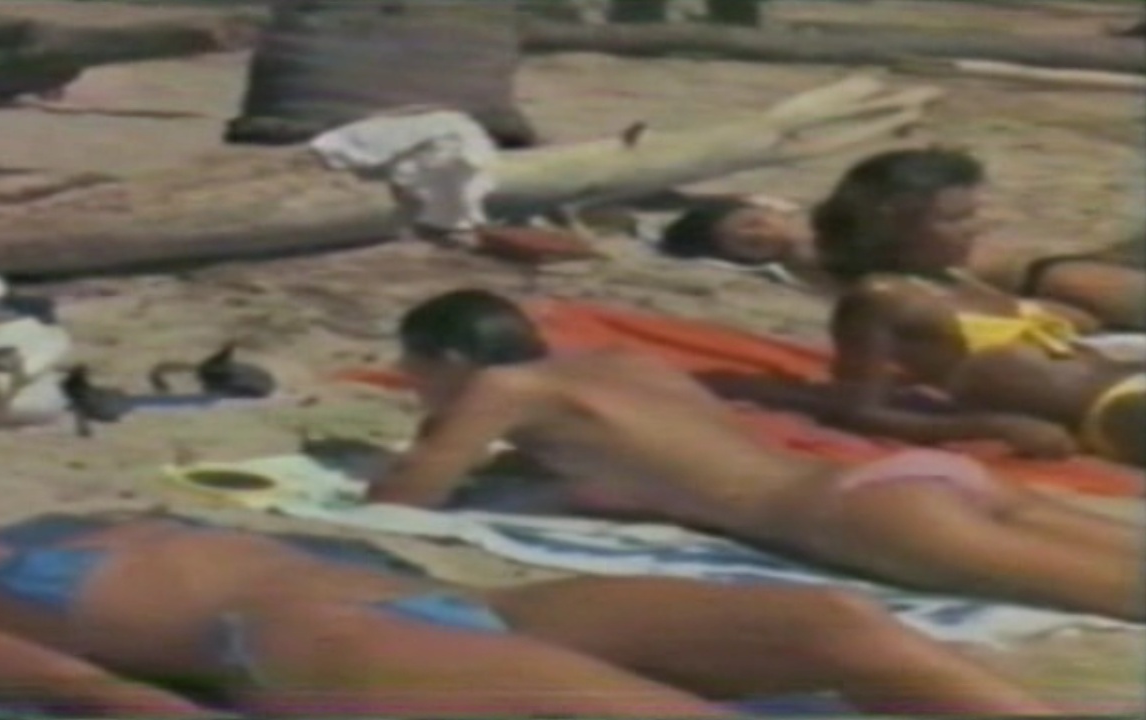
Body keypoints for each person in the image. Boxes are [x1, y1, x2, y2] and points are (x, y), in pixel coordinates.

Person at [0, 472, 1055, 717]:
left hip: (472, 605)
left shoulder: (73, 523)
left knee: (831, 626)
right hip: (305, 646)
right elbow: (99, 696)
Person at [367, 289, 1141, 623]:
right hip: (894, 482)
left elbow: (409, 499)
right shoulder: (617, 366)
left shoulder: (503, 387)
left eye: (416, 374)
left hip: (852, 516)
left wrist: (430, 442)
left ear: (447, 360)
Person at [812, 149, 1144, 466]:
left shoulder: (959, 282)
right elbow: (859, 412)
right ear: (894, 223)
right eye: (955, 219)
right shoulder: (881, 297)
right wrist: (998, 426)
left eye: (972, 215)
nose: (975, 227)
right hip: (1112, 409)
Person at [658, 187, 1146, 332]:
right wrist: (1024, 311)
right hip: (1035, 283)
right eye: (744, 242)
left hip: (1045, 271)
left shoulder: (821, 229)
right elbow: (933, 284)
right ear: (740, 260)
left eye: (751, 222)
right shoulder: (816, 256)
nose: (759, 234)